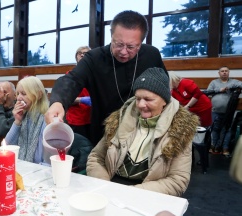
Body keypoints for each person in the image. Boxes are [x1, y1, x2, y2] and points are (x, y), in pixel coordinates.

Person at [45, 10, 167, 146]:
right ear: (111, 35)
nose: (124, 51)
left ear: (141, 42)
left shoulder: (151, 55)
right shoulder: (94, 58)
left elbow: (164, 90)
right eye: (118, 44)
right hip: (105, 135)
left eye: (131, 46)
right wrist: (58, 102)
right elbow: (71, 79)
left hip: (143, 133)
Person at [86, 68, 199, 197]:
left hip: (148, 194)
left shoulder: (180, 130)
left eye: (148, 99)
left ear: (164, 100)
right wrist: (105, 186)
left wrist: (131, 193)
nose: (140, 104)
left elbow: (177, 180)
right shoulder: (119, 120)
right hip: (110, 187)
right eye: (138, 98)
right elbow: (96, 157)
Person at [5, 76, 50, 164]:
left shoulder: (47, 119)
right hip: (23, 167)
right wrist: (17, 121)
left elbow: (49, 161)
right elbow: (7, 146)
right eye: (18, 94)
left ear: (39, 94)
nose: (19, 98)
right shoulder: (24, 116)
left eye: (24, 93)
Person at [207, 66, 242, 156]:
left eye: (226, 71)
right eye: (222, 71)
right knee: (215, 129)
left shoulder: (234, 81)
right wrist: (220, 90)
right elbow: (208, 92)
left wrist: (229, 86)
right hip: (215, 111)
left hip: (229, 113)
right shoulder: (214, 82)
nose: (224, 72)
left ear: (229, 72)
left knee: (228, 130)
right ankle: (214, 146)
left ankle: (225, 148)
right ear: (219, 73)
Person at [65, 46, 92, 141]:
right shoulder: (70, 76)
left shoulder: (94, 75)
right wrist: (81, 100)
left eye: (85, 53)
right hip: (76, 121)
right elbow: (66, 99)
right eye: (79, 53)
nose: (82, 54)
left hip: (92, 119)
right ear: (76, 57)